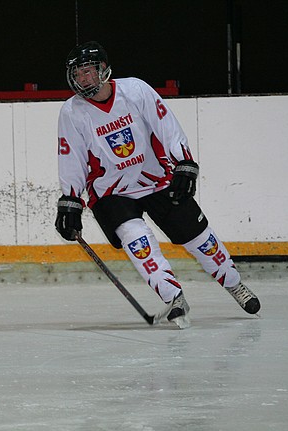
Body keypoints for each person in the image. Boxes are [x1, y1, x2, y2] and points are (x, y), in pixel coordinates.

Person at [54, 41, 260, 328]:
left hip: (157, 179)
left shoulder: (135, 90)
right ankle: (174, 297)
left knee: (200, 239)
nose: (83, 79)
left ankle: (234, 284)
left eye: (87, 71)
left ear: (103, 68)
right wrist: (70, 201)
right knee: (138, 242)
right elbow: (71, 158)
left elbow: (166, 126)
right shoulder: (72, 112)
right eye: (77, 74)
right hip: (112, 192)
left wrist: (184, 162)